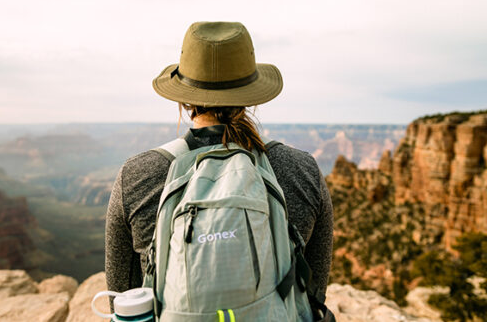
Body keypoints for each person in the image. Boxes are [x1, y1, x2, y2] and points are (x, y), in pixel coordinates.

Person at [105, 21, 334, 312]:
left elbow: (120, 302)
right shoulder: (302, 171)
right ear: (250, 95)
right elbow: (313, 298)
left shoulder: (138, 174)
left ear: (185, 101)